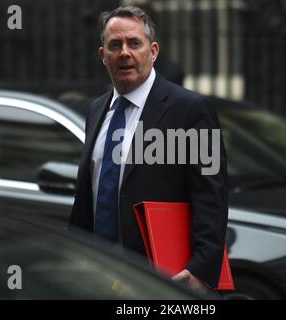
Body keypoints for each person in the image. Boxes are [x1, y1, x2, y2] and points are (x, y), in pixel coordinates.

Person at [69, 5, 228, 292]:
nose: (125, 53)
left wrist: (199, 271)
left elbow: (211, 198)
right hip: (96, 276)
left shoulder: (190, 110)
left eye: (134, 43)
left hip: (159, 280)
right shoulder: (96, 110)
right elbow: (87, 196)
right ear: (103, 56)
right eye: (115, 45)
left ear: (153, 52)